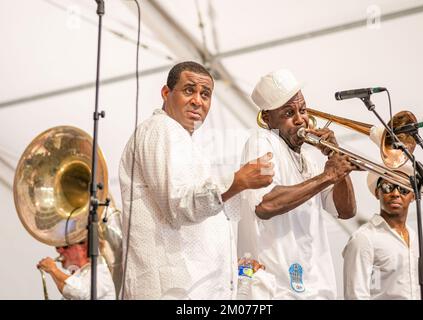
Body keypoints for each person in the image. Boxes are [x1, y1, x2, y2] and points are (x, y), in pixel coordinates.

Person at [119, 61, 273, 299]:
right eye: (189, 90)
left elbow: (208, 221)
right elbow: (179, 205)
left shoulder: (186, 143)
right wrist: (237, 182)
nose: (198, 101)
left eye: (206, 94)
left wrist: (236, 267)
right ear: (166, 92)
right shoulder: (160, 129)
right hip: (169, 291)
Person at [238, 69, 359, 299]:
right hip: (277, 289)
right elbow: (265, 205)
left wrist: (336, 156)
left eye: (302, 110)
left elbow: (346, 211)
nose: (300, 119)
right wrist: (326, 177)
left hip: (315, 290)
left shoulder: (309, 162)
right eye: (288, 113)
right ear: (267, 118)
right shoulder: (261, 142)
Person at [342, 168, 423, 300]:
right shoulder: (364, 238)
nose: (396, 193)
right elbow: (355, 296)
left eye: (403, 188)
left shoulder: (418, 241)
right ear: (377, 192)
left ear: (413, 196)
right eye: (388, 187)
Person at [37, 241, 116, 300]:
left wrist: (54, 269)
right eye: (58, 247)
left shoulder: (100, 271)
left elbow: (81, 292)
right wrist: (52, 271)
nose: (59, 251)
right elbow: (67, 290)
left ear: (84, 249)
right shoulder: (79, 274)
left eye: (66, 246)